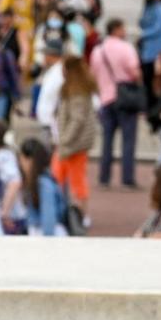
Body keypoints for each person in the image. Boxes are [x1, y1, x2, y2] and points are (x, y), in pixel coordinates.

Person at [90, 18, 142, 190]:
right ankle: (127, 178)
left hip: (106, 97)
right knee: (128, 141)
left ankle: (104, 177)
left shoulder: (98, 51)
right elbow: (134, 73)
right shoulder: (126, 48)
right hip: (124, 97)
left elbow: (94, 74)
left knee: (107, 140)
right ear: (117, 29)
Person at [52, 54, 98, 216]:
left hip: (74, 143)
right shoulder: (76, 88)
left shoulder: (76, 91)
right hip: (74, 142)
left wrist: (65, 139)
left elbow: (77, 120)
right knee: (59, 176)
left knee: (74, 179)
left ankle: (82, 214)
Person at [19, 137, 67, 236]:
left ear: (30, 160)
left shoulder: (44, 184)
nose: (20, 164)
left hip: (44, 235)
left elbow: (49, 218)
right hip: (39, 232)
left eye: (22, 159)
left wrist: (46, 245)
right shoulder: (39, 181)